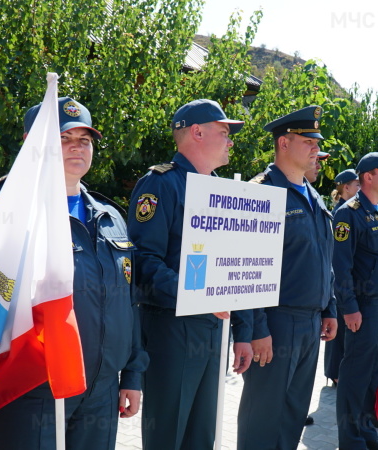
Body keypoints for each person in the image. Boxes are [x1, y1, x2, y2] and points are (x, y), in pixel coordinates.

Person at [0, 97, 146, 449]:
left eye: (84, 140)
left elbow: (128, 305)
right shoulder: (10, 213)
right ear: (33, 146)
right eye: (64, 139)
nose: (76, 148)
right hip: (32, 390)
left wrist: (132, 373)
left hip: (99, 390)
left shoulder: (109, 217)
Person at [127, 99, 253, 449]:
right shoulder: (161, 185)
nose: (231, 141)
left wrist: (243, 328)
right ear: (196, 132)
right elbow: (143, 261)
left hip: (213, 329)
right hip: (173, 329)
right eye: (225, 132)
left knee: (202, 434)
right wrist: (196, 296)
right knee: (169, 434)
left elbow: (236, 266)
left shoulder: (225, 191)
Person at [238, 106, 337, 449]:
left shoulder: (314, 196)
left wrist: (330, 308)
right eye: (308, 140)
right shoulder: (260, 192)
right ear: (283, 143)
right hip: (276, 322)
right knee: (262, 416)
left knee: (293, 414)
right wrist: (257, 328)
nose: (316, 147)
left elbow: (326, 258)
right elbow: (245, 268)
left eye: (317, 141)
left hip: (311, 323)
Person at [334, 152, 378, 450]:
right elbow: (341, 265)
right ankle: (351, 441)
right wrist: (349, 307)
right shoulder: (348, 213)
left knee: (374, 377)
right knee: (355, 377)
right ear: (367, 177)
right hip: (364, 308)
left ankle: (367, 435)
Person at [324, 168, 359, 385]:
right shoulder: (341, 213)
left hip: (347, 279)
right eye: (356, 185)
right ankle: (334, 372)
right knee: (336, 331)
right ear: (346, 187)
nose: (359, 189)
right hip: (339, 279)